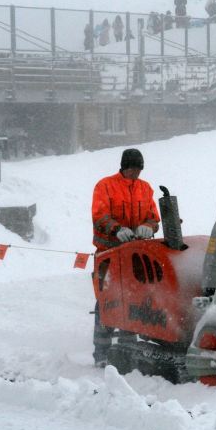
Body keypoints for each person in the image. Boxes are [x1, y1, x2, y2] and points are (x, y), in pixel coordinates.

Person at [91, 148, 160, 366]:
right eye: (132, 169)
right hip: (109, 253)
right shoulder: (105, 186)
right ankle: (102, 353)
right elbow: (99, 215)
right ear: (124, 167)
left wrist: (148, 227)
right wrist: (116, 229)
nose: (135, 174)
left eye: (139, 170)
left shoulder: (145, 188)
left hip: (134, 255)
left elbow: (153, 217)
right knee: (107, 300)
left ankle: (126, 351)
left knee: (133, 300)